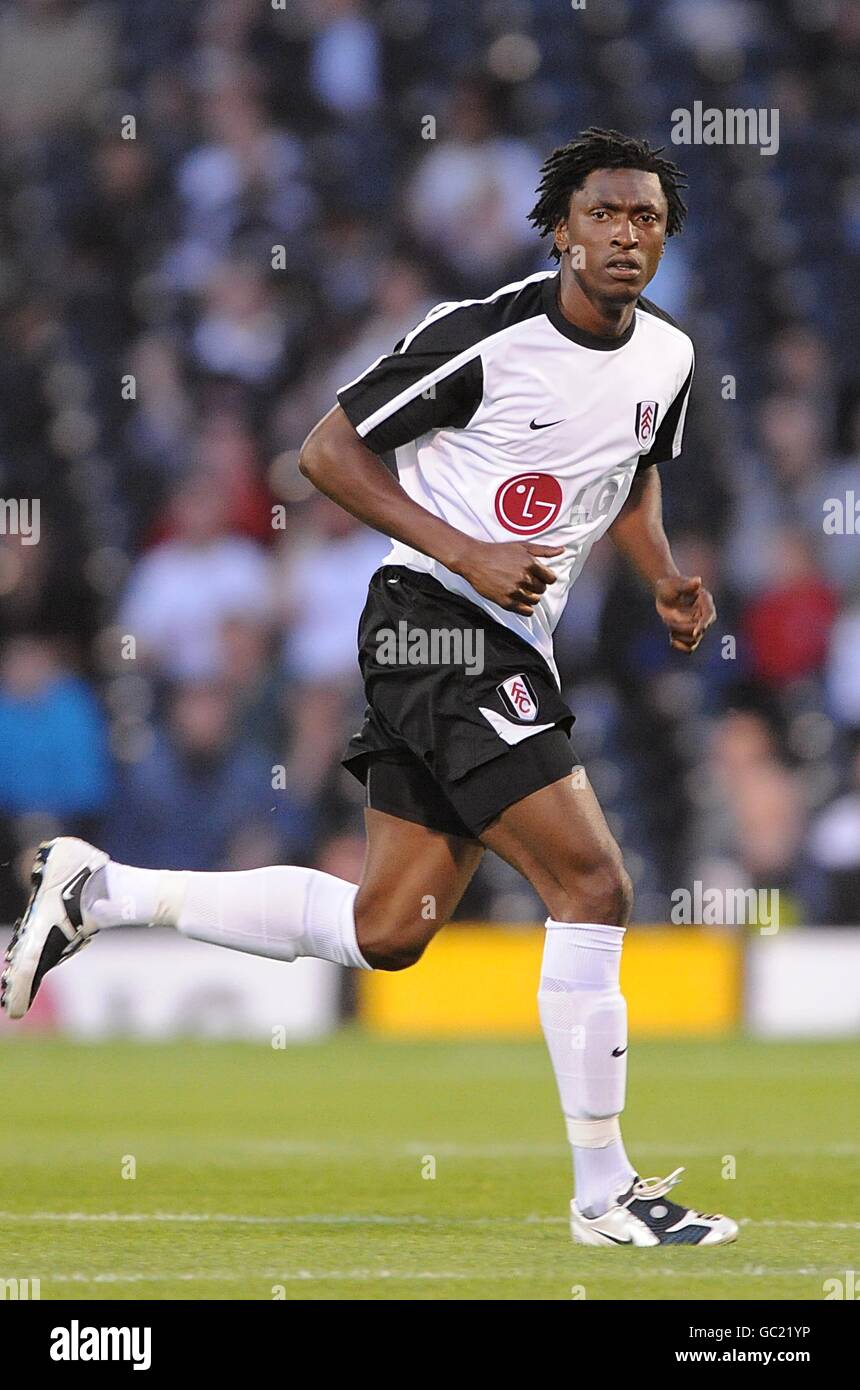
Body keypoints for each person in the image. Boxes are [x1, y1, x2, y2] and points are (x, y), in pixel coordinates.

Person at [2, 128, 736, 1248]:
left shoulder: (668, 359)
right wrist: (467, 551)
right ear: (559, 231)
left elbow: (626, 476)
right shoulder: (480, 336)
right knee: (592, 885)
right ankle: (603, 1191)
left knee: (390, 928)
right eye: (603, 214)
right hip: (434, 627)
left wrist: (664, 580)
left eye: (644, 217)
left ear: (664, 236)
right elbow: (324, 452)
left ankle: (101, 893)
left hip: (508, 641)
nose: (624, 233)